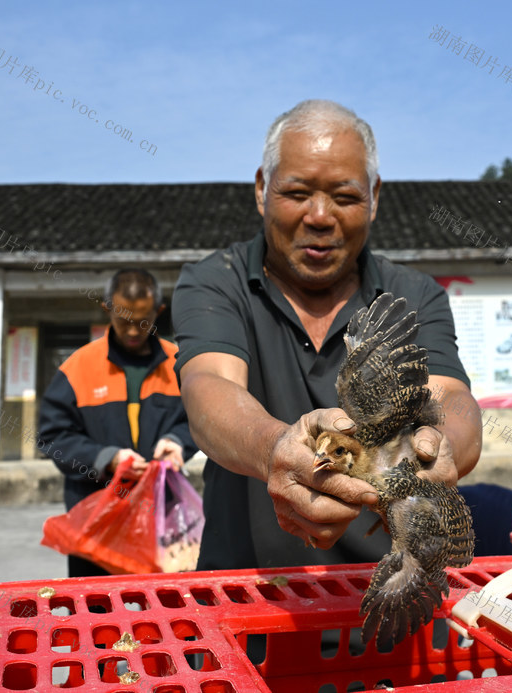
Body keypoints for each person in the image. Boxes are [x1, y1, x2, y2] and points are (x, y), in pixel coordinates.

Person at [172, 100, 483, 572]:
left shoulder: (413, 295)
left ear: (374, 196)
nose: (319, 215)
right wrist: (272, 447)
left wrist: (442, 451)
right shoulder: (217, 281)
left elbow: (452, 400)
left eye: (344, 196)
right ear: (261, 189)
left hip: (393, 596)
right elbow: (209, 389)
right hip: (250, 602)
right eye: (297, 193)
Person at [39, 268, 196, 577]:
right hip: (97, 521)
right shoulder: (78, 368)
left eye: (143, 321)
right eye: (124, 321)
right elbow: (52, 436)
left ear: (158, 312)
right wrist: (107, 458)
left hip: (159, 519)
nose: (134, 331)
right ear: (107, 309)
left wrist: (177, 441)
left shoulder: (181, 364)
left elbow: (201, 420)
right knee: (98, 614)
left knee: (162, 611)